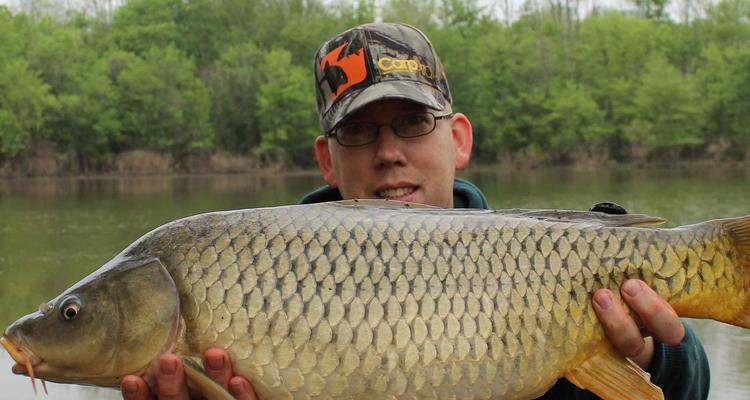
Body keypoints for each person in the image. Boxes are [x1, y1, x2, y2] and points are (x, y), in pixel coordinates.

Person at [121, 22, 709, 400]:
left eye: (411, 122)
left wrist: (661, 354)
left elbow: (690, 389)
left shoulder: (545, 261)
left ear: (457, 139)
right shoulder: (260, 271)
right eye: (359, 131)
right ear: (327, 160)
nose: (389, 153)